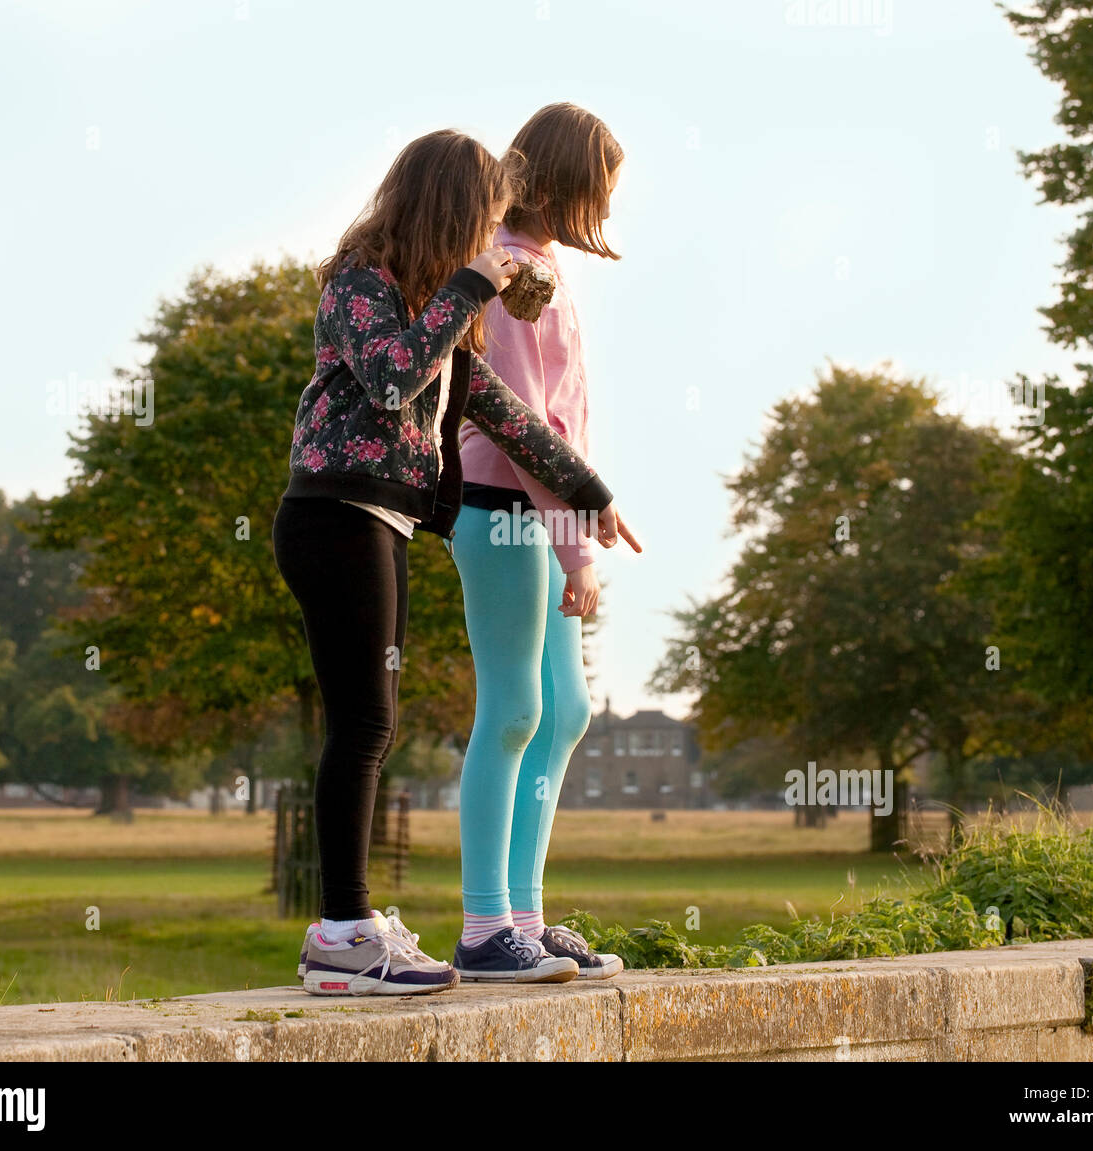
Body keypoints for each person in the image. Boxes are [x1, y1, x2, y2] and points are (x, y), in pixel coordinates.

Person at [271, 129, 634, 996]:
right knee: (361, 725)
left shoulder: (434, 305)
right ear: (449, 208)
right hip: (330, 512)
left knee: (374, 722)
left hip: (381, 519)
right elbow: (394, 380)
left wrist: (594, 493)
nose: (492, 239)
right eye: (484, 220)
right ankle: (344, 932)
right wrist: (472, 287)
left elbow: (505, 417)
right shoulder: (358, 280)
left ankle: (351, 926)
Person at [448, 104, 640, 983]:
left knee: (566, 711)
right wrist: (578, 550)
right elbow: (523, 427)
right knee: (515, 708)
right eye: (596, 191)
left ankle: (524, 914)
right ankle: (486, 927)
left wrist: (590, 513)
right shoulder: (509, 272)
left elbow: (571, 420)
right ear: (563, 183)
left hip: (549, 511)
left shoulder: (547, 266)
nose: (599, 209)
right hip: (498, 507)